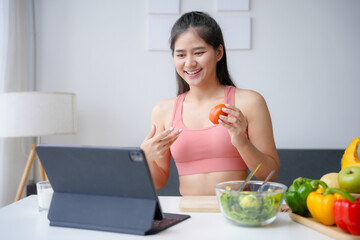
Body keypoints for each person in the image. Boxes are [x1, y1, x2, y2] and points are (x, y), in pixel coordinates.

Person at [141, 11, 279, 195]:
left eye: (199, 52)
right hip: (189, 215)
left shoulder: (249, 102)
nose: (189, 63)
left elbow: (270, 174)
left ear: (218, 53)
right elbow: (159, 182)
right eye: (180, 55)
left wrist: (242, 142)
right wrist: (146, 158)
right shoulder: (163, 111)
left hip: (236, 213)